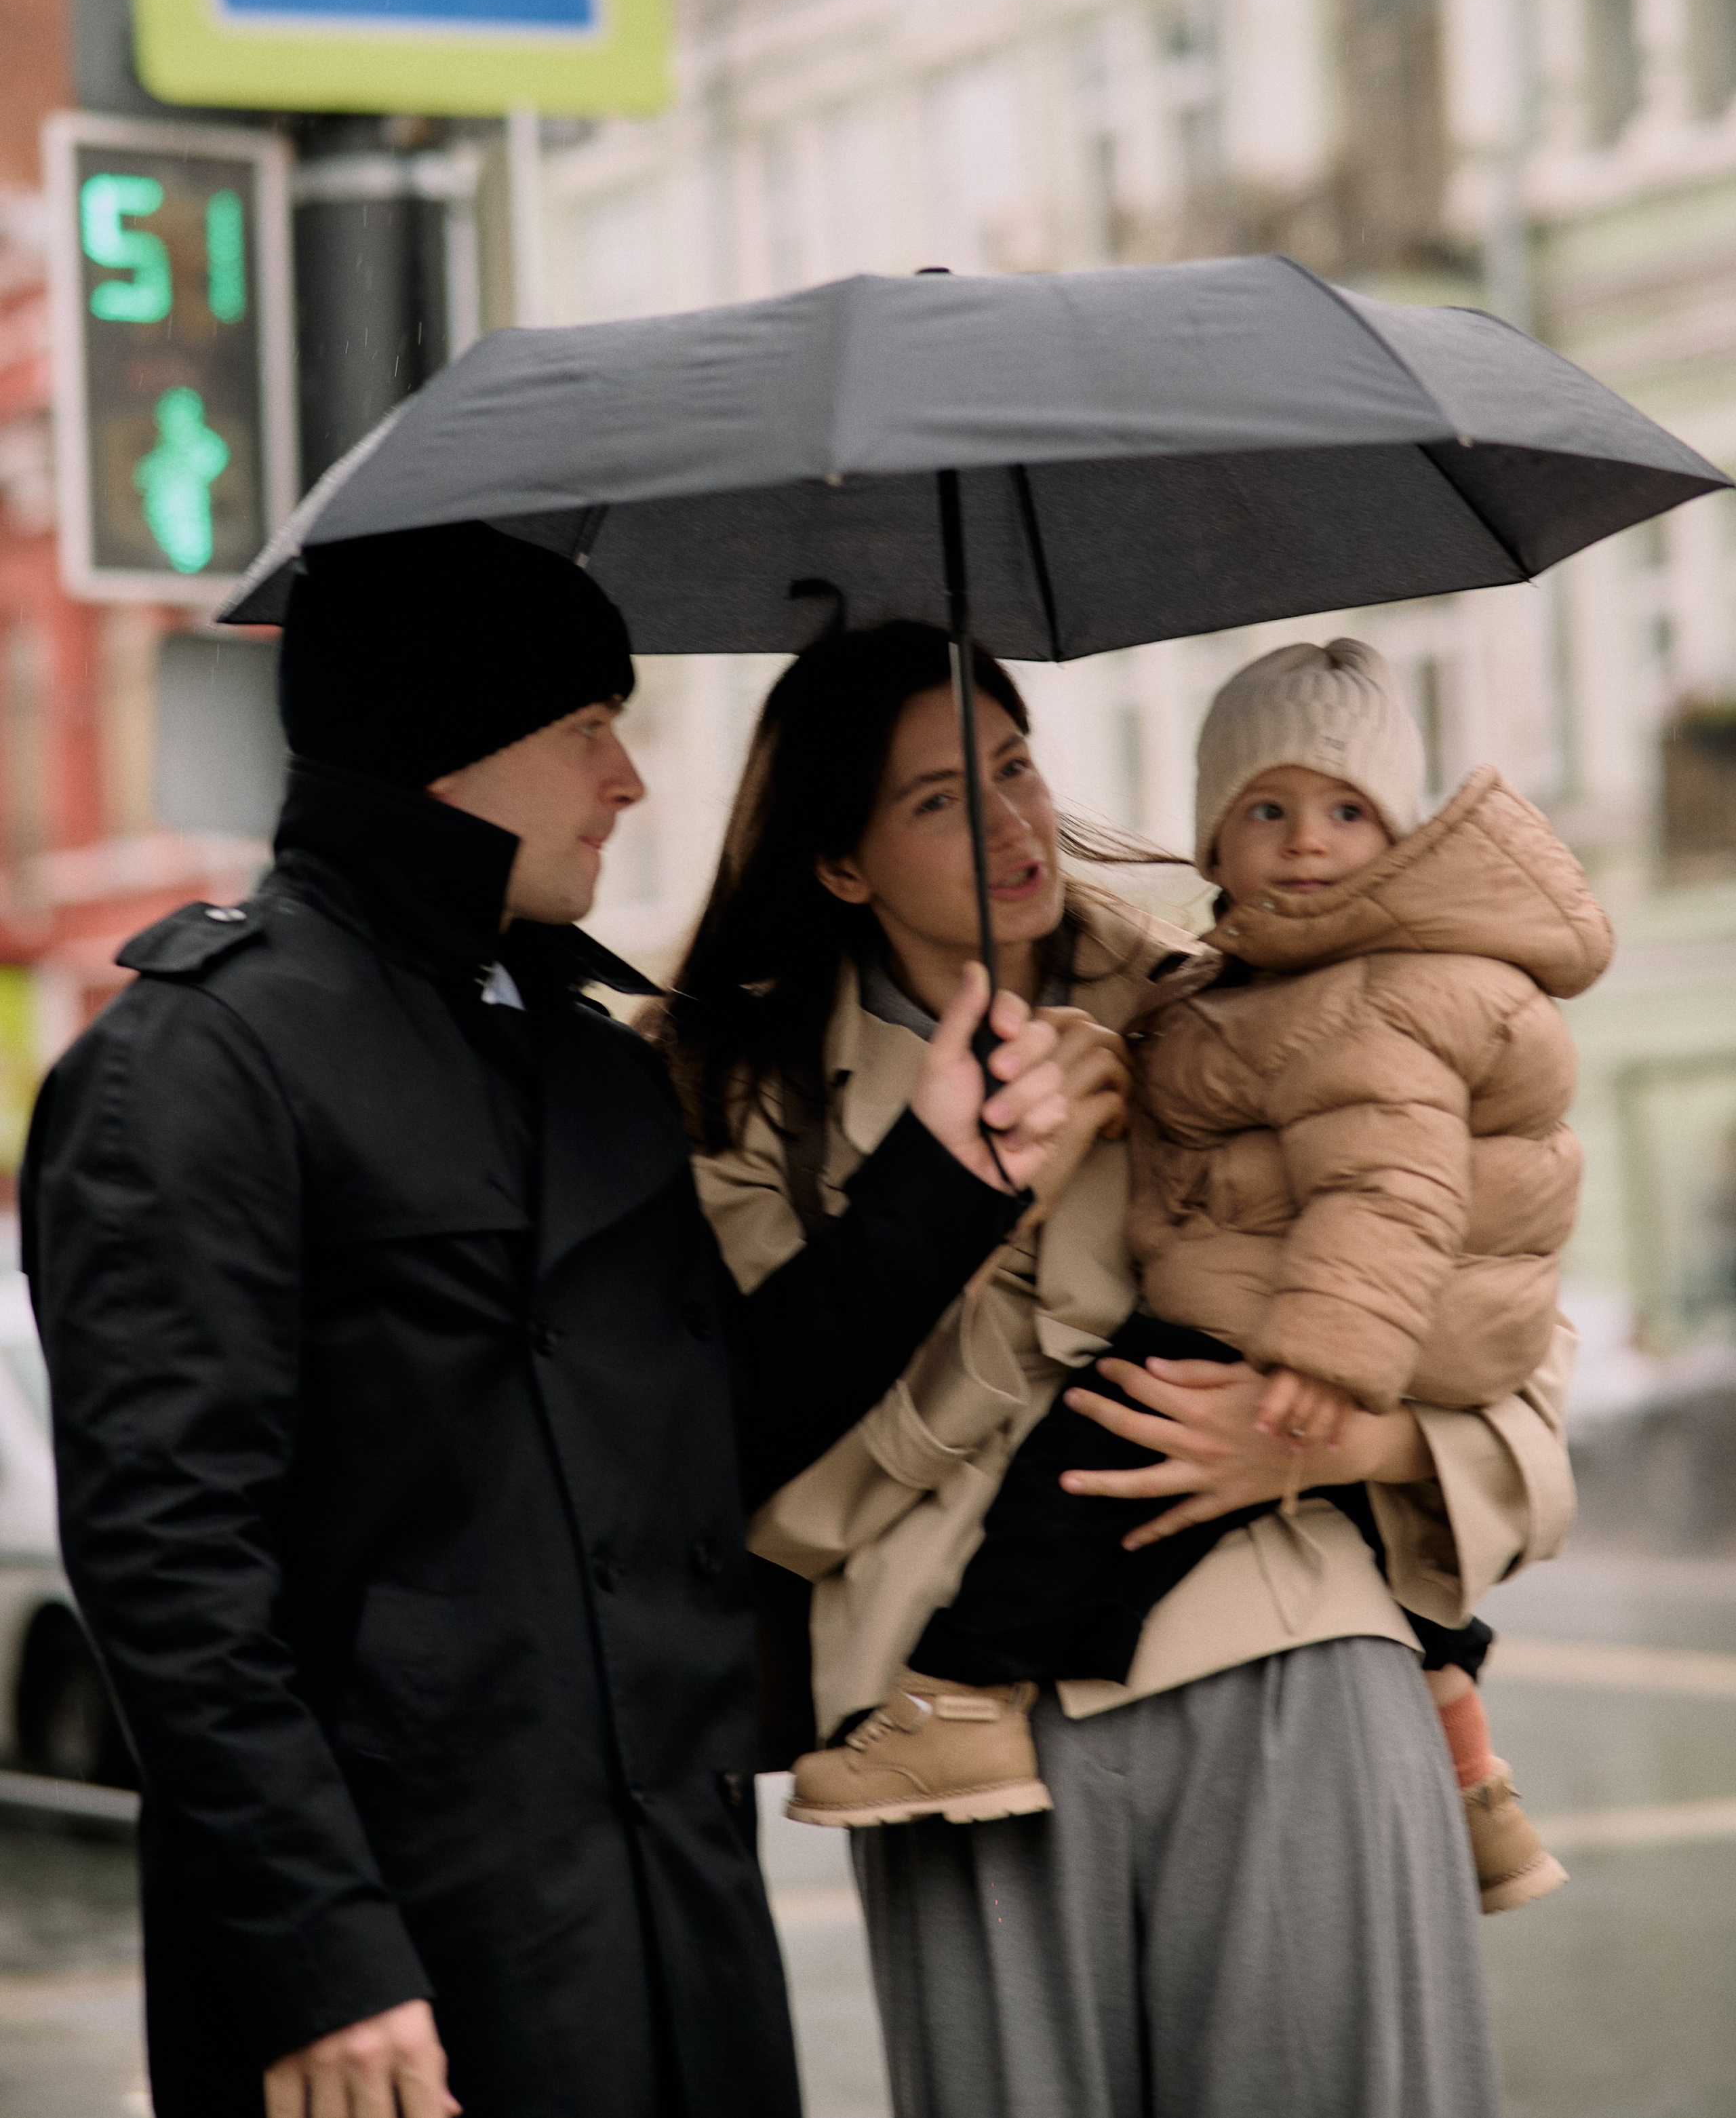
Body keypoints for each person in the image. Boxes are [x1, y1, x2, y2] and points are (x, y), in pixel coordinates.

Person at [19, 526, 1076, 2118]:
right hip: (400, 1973)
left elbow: (705, 1438)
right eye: (591, 726)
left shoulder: (591, 1066)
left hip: (665, 1910)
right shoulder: (197, 1065)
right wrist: (321, 1955)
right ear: (455, 746)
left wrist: (946, 1179)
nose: (629, 780)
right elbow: (171, 1576)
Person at [662, 618, 1581, 2118]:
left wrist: (1322, 1444)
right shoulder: (738, 1097)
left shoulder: (1225, 994)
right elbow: (774, 1491)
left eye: (1014, 764)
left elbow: (1509, 1376)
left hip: (1283, 1654)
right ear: (840, 862)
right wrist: (974, 1191)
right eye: (940, 798)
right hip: (953, 1734)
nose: (1013, 819)